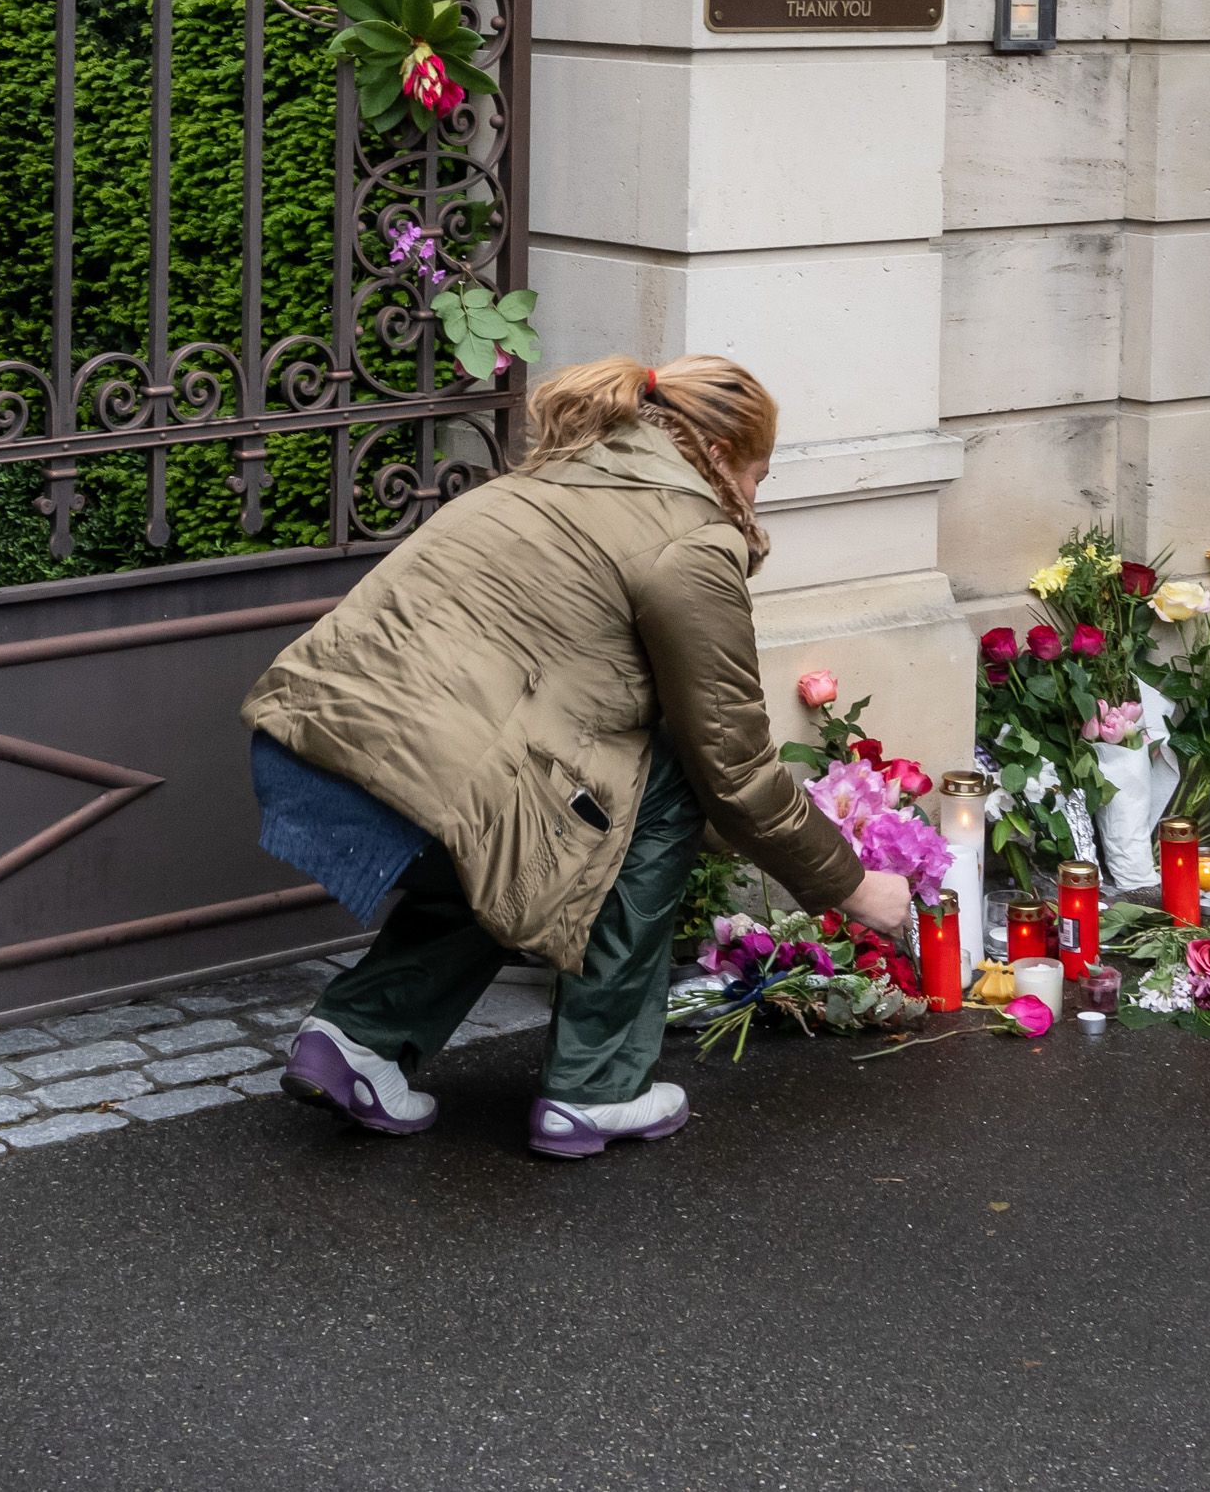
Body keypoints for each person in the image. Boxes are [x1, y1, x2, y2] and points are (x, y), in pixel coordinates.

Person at [246, 350, 911, 1158]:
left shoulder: (545, 481)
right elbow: (731, 769)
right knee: (655, 788)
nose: (756, 498)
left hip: (303, 753)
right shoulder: (689, 540)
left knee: (521, 830)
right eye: (761, 475)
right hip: (409, 782)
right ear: (725, 457)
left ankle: (357, 1041)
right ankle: (599, 1088)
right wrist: (850, 883)